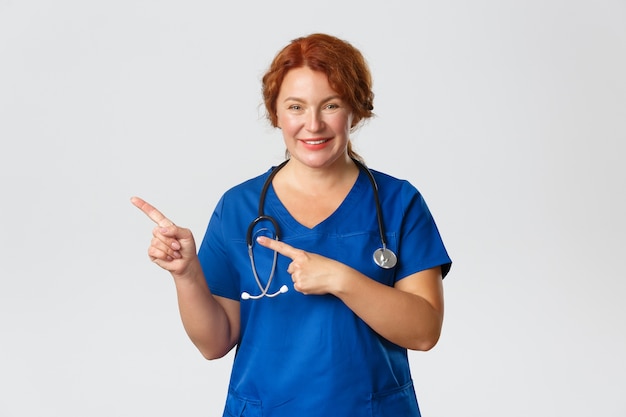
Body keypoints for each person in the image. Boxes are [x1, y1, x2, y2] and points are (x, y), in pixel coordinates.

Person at [131, 33, 451, 417]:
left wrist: (341, 279)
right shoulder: (239, 208)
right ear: (276, 114)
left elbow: (424, 331)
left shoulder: (398, 203)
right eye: (296, 107)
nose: (312, 125)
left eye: (330, 105)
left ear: (355, 109)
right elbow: (214, 343)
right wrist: (185, 275)